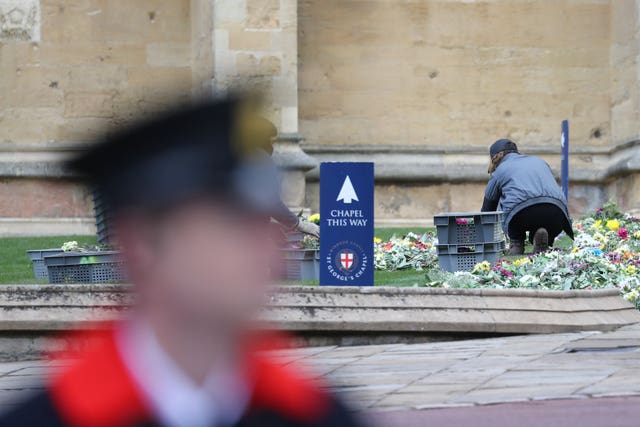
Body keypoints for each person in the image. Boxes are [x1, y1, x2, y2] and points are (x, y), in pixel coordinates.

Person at [0, 98, 364, 427]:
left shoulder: (319, 415)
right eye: (232, 223)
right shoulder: (50, 420)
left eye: (260, 223)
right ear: (139, 243)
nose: (269, 253)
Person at [481, 139, 574, 255]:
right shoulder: (539, 161)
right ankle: (542, 239)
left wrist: (483, 239)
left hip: (521, 215)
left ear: (494, 158)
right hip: (557, 214)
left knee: (511, 204)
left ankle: (517, 243)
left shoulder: (500, 170)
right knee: (538, 209)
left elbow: (487, 209)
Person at [243, 114, 319, 238]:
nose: (272, 145)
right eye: (270, 140)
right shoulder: (260, 158)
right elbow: (270, 201)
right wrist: (299, 224)